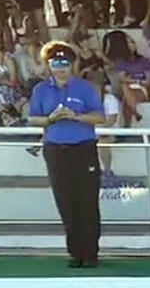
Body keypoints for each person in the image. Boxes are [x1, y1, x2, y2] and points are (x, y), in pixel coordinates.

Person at [28, 41, 105, 269]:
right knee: (65, 202)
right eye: (55, 64)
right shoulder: (41, 90)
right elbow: (33, 119)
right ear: (49, 66)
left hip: (83, 148)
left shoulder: (85, 88)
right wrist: (51, 119)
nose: (60, 68)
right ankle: (74, 251)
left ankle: (90, 253)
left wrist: (76, 117)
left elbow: (100, 117)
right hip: (55, 150)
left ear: (72, 65)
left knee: (88, 201)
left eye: (64, 63)